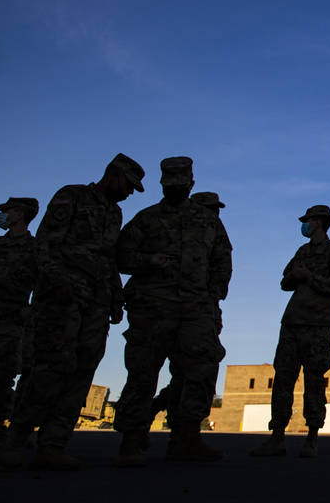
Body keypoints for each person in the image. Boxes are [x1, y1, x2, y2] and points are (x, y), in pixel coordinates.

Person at [0, 153, 145, 470]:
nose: (129, 193)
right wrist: (56, 283)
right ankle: (17, 437)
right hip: (61, 299)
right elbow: (46, 244)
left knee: (82, 371)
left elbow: (109, 259)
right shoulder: (72, 195)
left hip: (96, 303)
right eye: (129, 185)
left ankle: (53, 444)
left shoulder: (115, 213)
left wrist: (116, 299)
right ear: (114, 175)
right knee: (50, 367)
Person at [114, 158, 232, 466]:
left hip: (196, 310)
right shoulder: (147, 219)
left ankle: (187, 437)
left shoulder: (208, 222)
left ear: (191, 185)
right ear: (164, 185)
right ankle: (130, 440)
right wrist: (148, 261)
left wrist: (213, 294)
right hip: (153, 307)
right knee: (142, 372)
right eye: (172, 184)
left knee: (200, 370)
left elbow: (222, 259)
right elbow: (122, 256)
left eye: (182, 183)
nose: (177, 188)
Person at [251, 204, 330, 459]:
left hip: (318, 325)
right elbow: (285, 281)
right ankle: (277, 437)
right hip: (293, 322)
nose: (304, 225)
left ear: (319, 222)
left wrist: (309, 277)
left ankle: (312, 438)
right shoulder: (302, 251)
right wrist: (296, 276)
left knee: (314, 381)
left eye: (308, 220)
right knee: (282, 379)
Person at [147, 191, 229, 436]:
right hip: (184, 310)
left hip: (198, 308)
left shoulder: (213, 234)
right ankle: (180, 430)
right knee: (193, 370)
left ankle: (178, 427)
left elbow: (223, 271)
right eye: (212, 208)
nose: (215, 214)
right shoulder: (178, 229)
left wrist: (212, 297)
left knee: (189, 371)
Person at [0, 197, 40, 448]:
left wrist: (31, 310)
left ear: (19, 214)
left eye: (7, 211)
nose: (3, 215)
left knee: (2, 375)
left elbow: (45, 282)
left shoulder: (35, 248)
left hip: (10, 320)